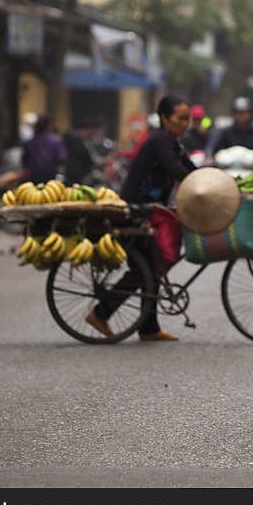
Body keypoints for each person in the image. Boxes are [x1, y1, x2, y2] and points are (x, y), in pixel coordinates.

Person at [85, 96, 195, 342]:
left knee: (152, 269)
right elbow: (174, 169)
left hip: (149, 210)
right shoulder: (160, 141)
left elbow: (190, 168)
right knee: (144, 270)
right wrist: (197, 182)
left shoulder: (174, 143)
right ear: (165, 119)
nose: (186, 124)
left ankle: (148, 328)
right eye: (181, 118)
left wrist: (212, 180)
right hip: (134, 212)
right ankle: (100, 313)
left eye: (188, 119)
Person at [205, 96, 253, 165]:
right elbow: (212, 145)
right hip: (227, 169)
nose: (241, 115)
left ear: (250, 113)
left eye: (244, 112)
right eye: (238, 112)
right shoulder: (225, 130)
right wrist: (209, 156)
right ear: (233, 113)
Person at [22, 115, 67, 184]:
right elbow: (61, 158)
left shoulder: (30, 142)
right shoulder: (56, 140)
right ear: (49, 125)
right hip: (51, 177)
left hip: (33, 177)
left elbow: (25, 162)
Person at [63, 119, 95, 184]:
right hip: (79, 173)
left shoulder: (68, 137)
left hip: (68, 171)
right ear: (84, 130)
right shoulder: (79, 141)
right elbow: (86, 156)